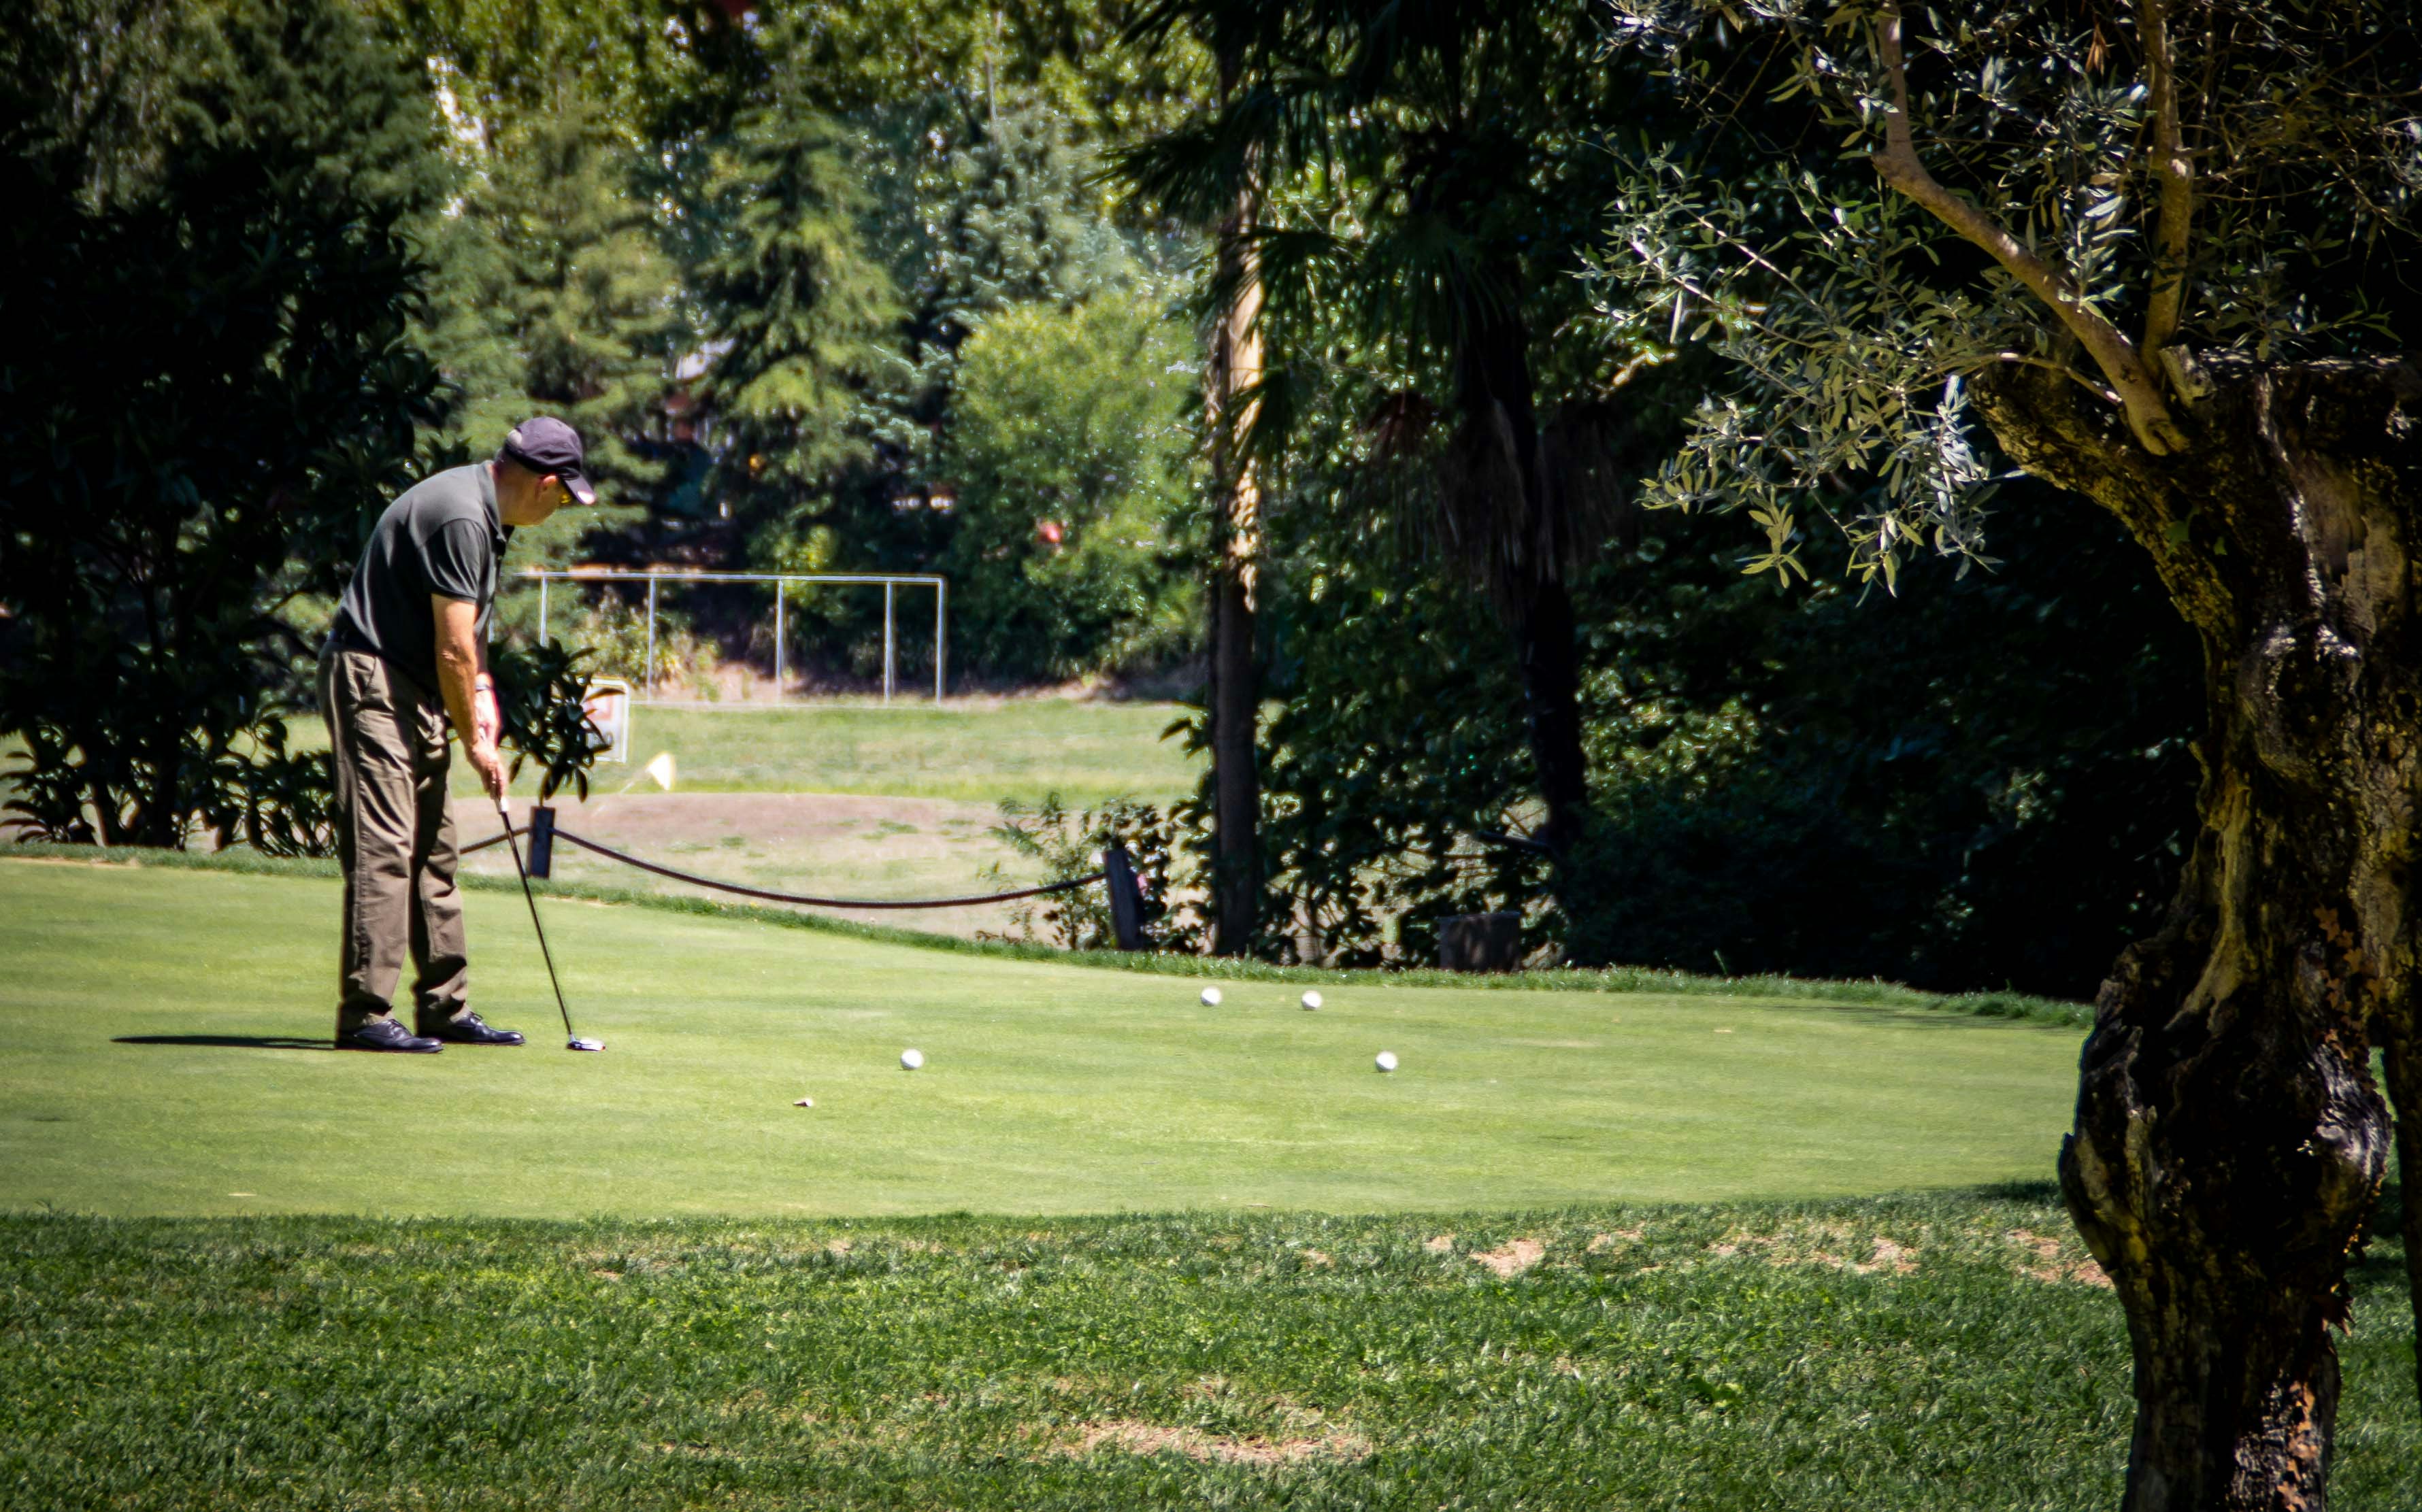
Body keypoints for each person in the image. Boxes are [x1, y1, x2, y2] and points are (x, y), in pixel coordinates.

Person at [318, 418, 594, 1052]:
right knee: (387, 844)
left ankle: (445, 1006)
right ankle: (364, 1014)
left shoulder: (489, 518)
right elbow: (451, 649)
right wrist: (476, 740)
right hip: (373, 678)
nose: (561, 507)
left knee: (435, 847)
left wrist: (484, 692)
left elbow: (470, 638)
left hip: (414, 683)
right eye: (563, 495)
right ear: (544, 483)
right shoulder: (463, 519)